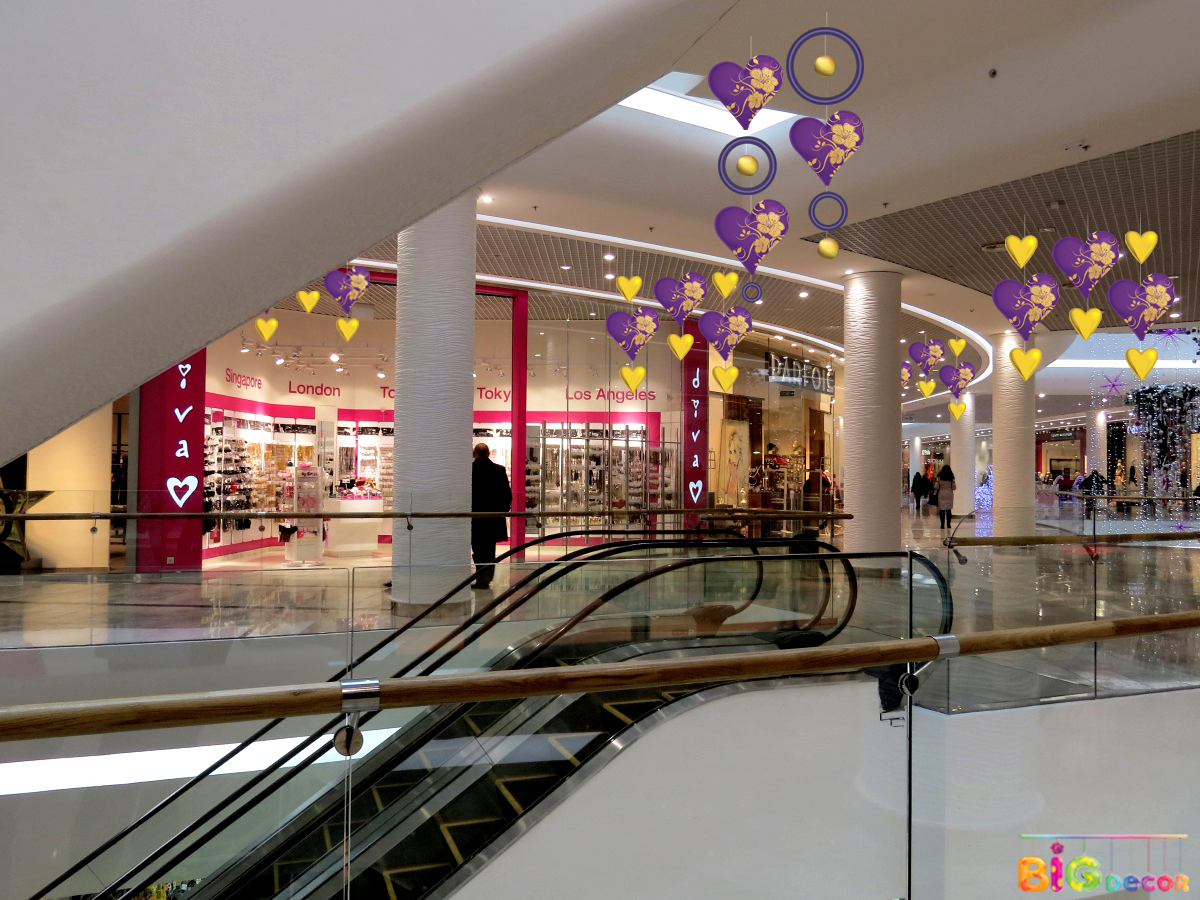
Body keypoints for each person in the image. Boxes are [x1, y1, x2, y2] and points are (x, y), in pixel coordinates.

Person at [471, 443, 512, 590]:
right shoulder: (499, 470)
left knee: (477, 547)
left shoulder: (470, 470)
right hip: (493, 517)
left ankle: (481, 575)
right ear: (488, 454)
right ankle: (488, 576)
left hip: (474, 516)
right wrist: (501, 512)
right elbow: (507, 495)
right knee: (490, 548)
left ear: (474, 453)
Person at [933, 464, 956, 530]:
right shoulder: (951, 478)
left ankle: (942, 524)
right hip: (949, 494)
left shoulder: (939, 477)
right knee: (948, 510)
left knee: (942, 510)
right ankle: (948, 524)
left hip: (941, 494)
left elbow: (936, 487)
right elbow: (954, 487)